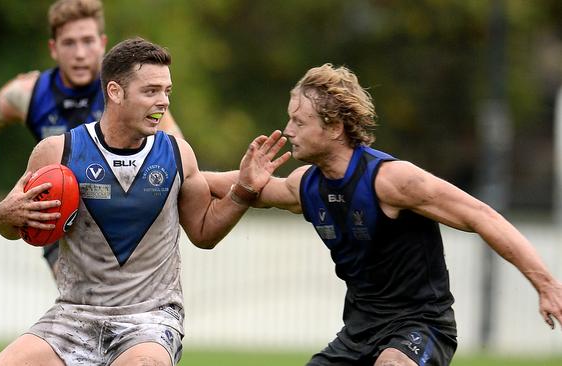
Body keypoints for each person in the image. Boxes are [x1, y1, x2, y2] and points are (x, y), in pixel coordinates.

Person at [204, 63, 562, 365]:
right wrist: (180, 173)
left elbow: (484, 216)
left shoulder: (392, 181)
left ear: (333, 127)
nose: (289, 131)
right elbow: (249, 187)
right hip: (358, 332)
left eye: (300, 122)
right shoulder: (305, 185)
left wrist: (546, 285)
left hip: (422, 326)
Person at [0, 37, 290, 366]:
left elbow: (204, 232)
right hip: (73, 316)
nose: (162, 102)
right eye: (151, 91)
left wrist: (244, 189)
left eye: (167, 92)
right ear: (115, 92)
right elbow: (12, 226)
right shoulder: (58, 152)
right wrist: (3, 214)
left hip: (149, 321)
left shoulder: (178, 154)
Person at [0, 0, 183, 272]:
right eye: (69, 43)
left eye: (88, 41)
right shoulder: (27, 93)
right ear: (54, 48)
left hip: (120, 214)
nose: (80, 53)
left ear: (102, 43)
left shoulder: (127, 93)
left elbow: (177, 153)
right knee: (83, 292)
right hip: (58, 213)